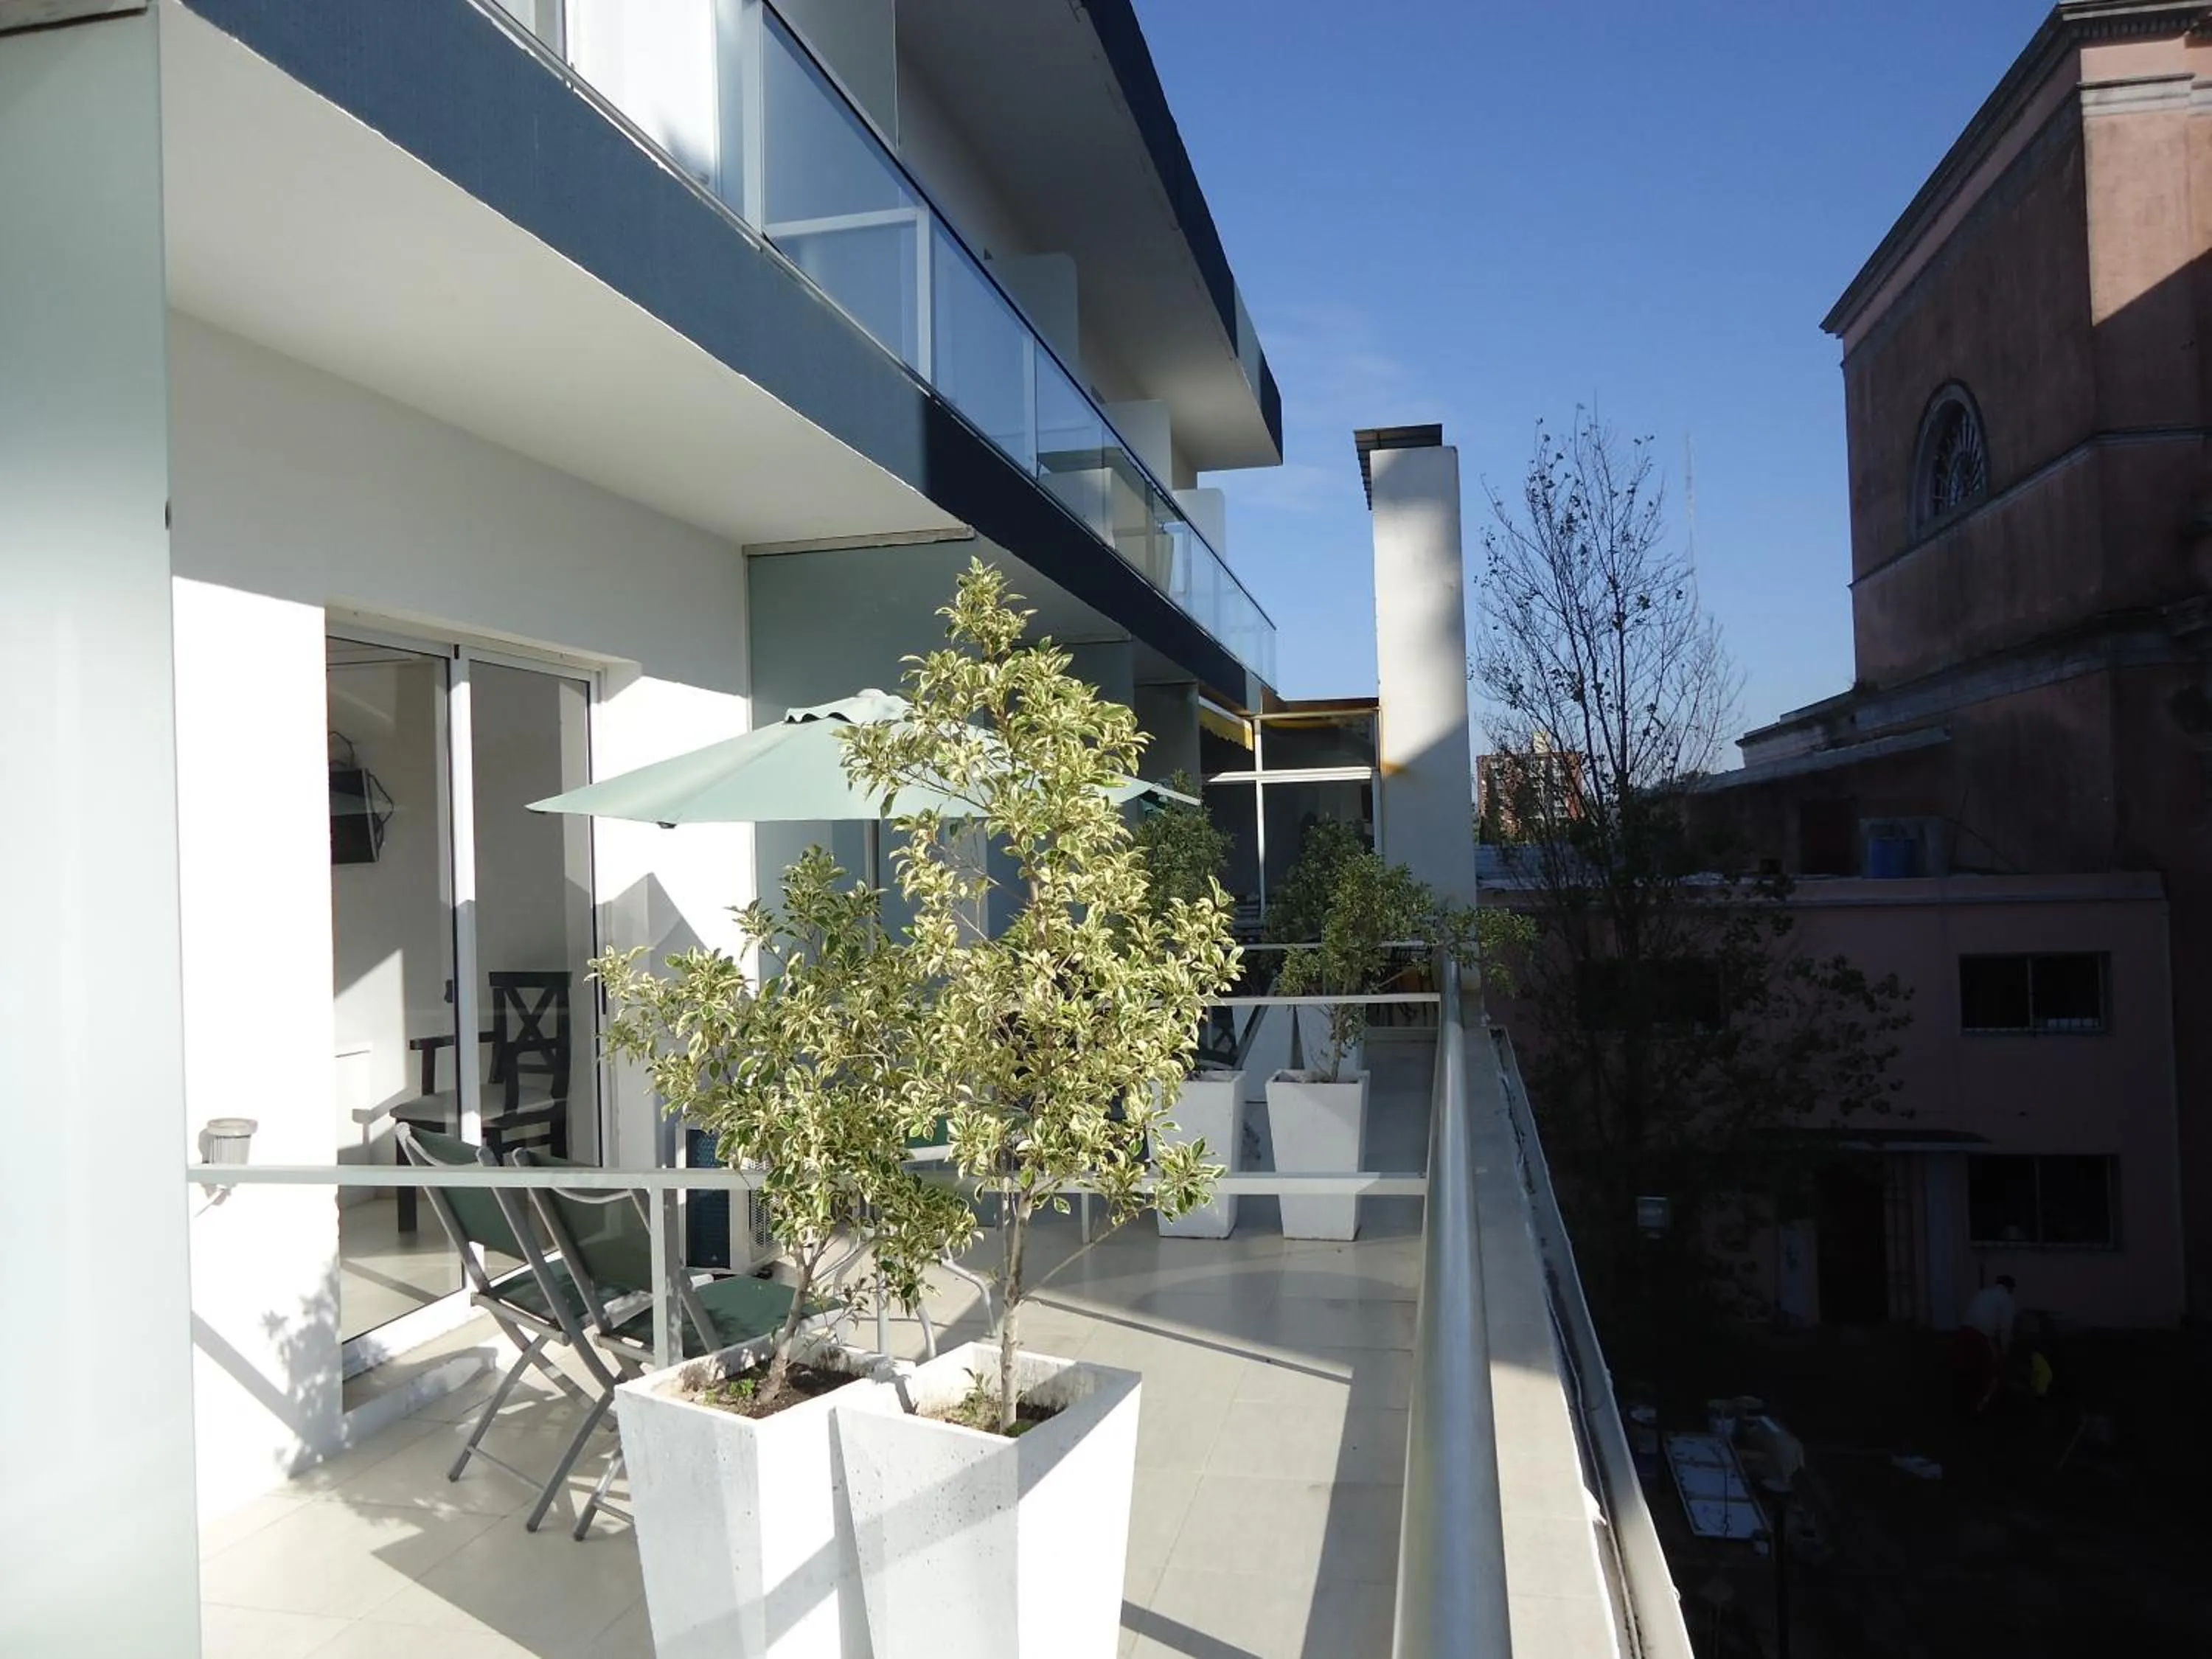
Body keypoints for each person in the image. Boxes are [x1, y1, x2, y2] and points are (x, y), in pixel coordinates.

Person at [1952, 1276, 2016, 1416]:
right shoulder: (2007, 1299)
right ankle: (1982, 1405)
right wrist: (2004, 1351)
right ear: (2010, 1288)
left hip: (1964, 1332)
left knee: (1967, 1368)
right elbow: (2006, 1327)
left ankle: (1960, 1403)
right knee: (1991, 1371)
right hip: (1982, 1336)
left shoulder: (1983, 1293)